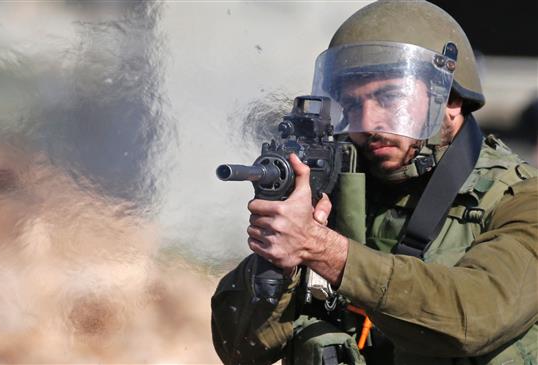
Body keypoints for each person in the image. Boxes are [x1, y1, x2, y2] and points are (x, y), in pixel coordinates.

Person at [210, 1, 538, 364]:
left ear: (452, 101)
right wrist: (278, 263)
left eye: (389, 98)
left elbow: (475, 318)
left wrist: (322, 249)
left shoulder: (521, 200)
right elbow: (237, 349)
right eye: (351, 103)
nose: (367, 121)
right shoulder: (339, 188)